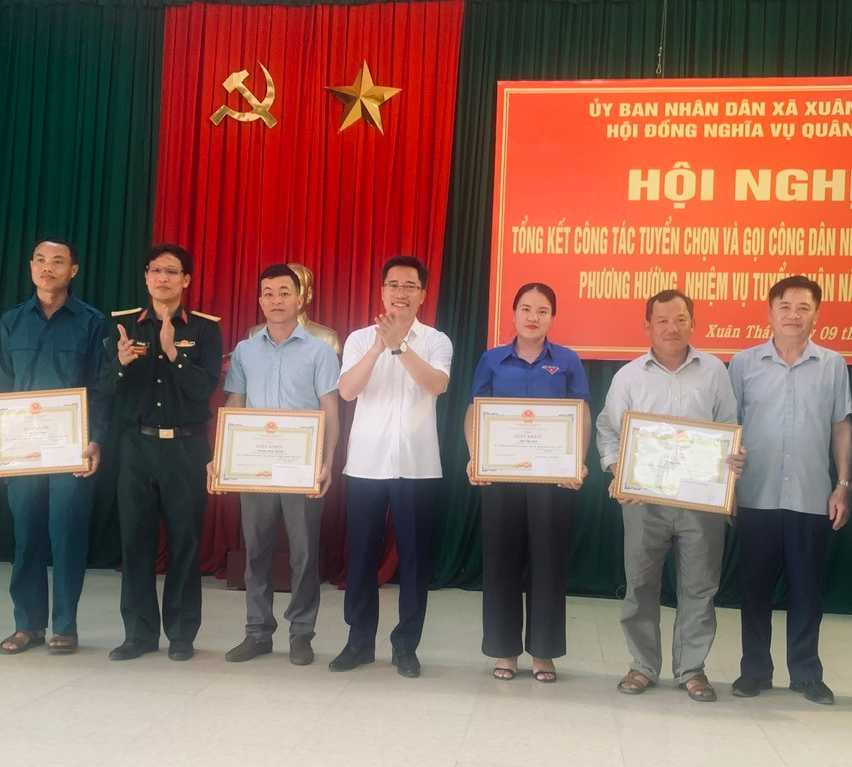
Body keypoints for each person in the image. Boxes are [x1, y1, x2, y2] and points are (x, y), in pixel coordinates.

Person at [595, 289, 745, 701]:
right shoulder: (628, 376)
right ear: (647, 326)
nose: (671, 327)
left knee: (700, 588)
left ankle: (691, 669)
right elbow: (608, 431)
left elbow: (728, 427)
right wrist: (618, 472)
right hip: (643, 501)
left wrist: (734, 458)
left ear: (693, 324)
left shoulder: (714, 371)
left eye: (680, 319)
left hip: (701, 502)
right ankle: (642, 665)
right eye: (662, 320)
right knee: (640, 585)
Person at [727, 276, 852, 704]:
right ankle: (754, 671)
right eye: (784, 306)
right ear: (769, 312)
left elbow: (841, 427)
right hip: (755, 494)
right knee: (754, 590)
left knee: (807, 590)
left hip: (811, 496)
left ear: (816, 314)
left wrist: (842, 485)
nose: (793, 315)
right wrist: (727, 491)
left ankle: (806, 673)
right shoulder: (743, 363)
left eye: (803, 307)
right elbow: (729, 428)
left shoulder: (833, 364)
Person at [0, 238, 109, 655]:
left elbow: (101, 388)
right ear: (30, 266)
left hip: (71, 450)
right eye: (39, 260)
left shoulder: (92, 322)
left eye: (57, 261)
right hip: (20, 450)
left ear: (73, 270)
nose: (47, 267)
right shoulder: (12, 321)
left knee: (67, 535)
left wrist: (96, 439)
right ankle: (28, 625)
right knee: (26, 537)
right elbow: (0, 386)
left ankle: (66, 627)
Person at [330, 255, 452, 678]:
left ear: (423, 294)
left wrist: (400, 346)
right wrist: (379, 347)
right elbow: (347, 391)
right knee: (362, 555)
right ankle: (359, 642)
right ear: (382, 291)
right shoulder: (360, 338)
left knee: (415, 560)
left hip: (418, 466)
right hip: (366, 463)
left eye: (410, 286)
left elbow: (436, 384)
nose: (401, 292)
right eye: (394, 285)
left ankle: (406, 647)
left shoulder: (436, 340)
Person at [464, 282, 590, 683]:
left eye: (542, 310)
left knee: (549, 563)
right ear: (514, 313)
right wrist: (476, 456)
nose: (533, 317)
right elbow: (475, 411)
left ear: (553, 317)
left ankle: (543, 652)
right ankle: (504, 649)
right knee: (500, 560)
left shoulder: (567, 360)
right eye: (525, 309)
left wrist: (577, 463)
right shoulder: (492, 359)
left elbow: (581, 413)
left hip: (552, 480)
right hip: (501, 477)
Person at [215, 264, 340, 667]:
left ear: (299, 299)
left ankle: (301, 633)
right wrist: (222, 455)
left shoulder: (320, 350)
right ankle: (257, 632)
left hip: (302, 468)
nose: (276, 300)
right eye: (268, 293)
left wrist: (327, 462)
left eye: (284, 292)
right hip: (255, 466)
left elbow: (331, 410)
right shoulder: (245, 350)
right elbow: (235, 404)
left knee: (304, 555)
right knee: (256, 552)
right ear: (260, 300)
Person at [105, 244, 223, 662]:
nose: (163, 278)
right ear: (146, 277)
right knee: (135, 541)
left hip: (186, 447)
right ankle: (138, 634)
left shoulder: (205, 330)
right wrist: (120, 364)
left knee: (185, 542)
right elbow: (105, 387)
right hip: (136, 446)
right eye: (156, 270)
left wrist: (173, 353)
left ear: (186, 280)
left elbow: (204, 389)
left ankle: (181, 634)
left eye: (172, 271)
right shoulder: (123, 326)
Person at [245, 263, 342, 354]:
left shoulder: (327, 339)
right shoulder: (253, 335)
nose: (278, 300)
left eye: (285, 292)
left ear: (309, 294)